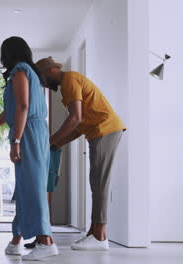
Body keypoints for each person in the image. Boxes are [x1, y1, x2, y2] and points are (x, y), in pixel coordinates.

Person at [0, 36, 59, 261]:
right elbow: (10, 112)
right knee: (25, 187)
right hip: (34, 130)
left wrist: (17, 141)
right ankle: (17, 239)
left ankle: (45, 242)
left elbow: (23, 106)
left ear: (8, 54)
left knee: (32, 187)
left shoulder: (20, 71)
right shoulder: (28, 72)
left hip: (29, 132)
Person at [35, 57, 126, 251]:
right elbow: (79, 125)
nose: (42, 82)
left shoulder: (69, 80)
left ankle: (100, 237)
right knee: (96, 182)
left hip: (105, 130)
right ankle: (94, 234)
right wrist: (57, 143)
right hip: (99, 131)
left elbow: (74, 119)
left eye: (42, 77)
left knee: (99, 182)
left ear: (51, 70)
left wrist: (50, 140)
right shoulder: (70, 82)